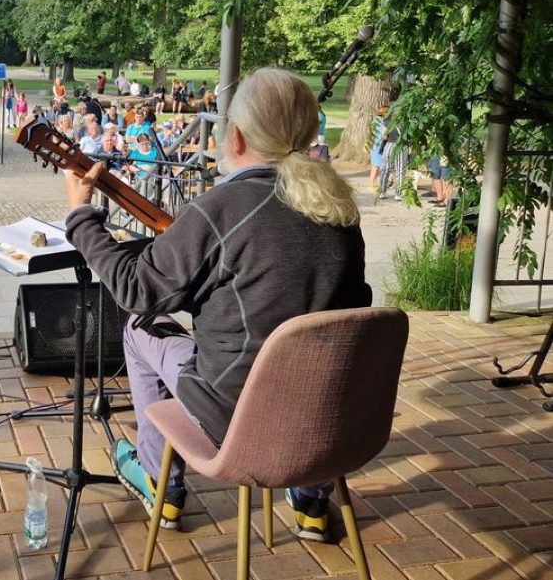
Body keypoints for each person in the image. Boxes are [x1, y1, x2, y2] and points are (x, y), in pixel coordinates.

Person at [63, 68, 371, 539]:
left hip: (237, 423)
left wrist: (81, 217)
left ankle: (161, 483)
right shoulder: (340, 208)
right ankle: (311, 498)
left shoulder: (222, 207)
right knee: (306, 353)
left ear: (238, 138)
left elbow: (135, 290)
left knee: (140, 327)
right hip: (328, 423)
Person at [369, 105, 389, 193]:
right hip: (378, 146)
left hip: (375, 145)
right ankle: (371, 185)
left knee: (376, 166)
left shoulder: (375, 120)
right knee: (375, 167)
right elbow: (383, 134)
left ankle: (374, 183)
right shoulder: (381, 121)